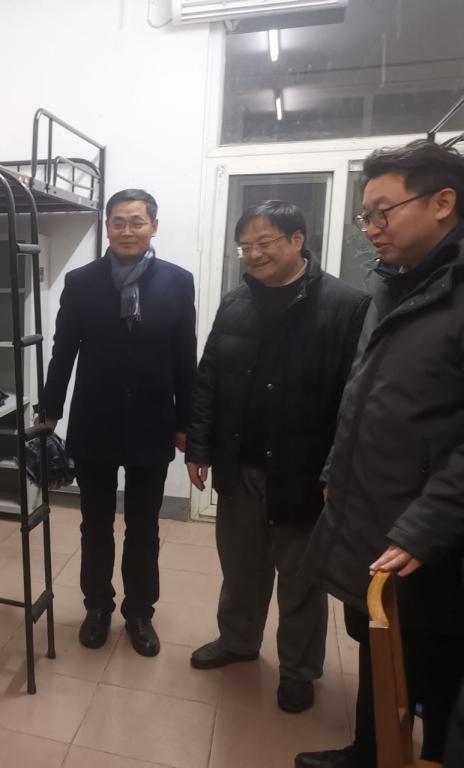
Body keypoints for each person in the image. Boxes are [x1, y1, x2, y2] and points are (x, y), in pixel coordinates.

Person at [296, 139, 464, 768]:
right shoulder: (393, 285)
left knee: (437, 665)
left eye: (382, 212)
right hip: (373, 502)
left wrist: (427, 527)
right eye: (365, 215)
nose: (371, 228)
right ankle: (369, 752)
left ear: (443, 203)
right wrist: (334, 470)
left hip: (433, 535)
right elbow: (364, 395)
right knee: (379, 641)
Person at [185, 200, 368, 714]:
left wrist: (336, 471)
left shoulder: (347, 305)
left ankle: (298, 670)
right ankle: (238, 640)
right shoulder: (235, 303)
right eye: (245, 246)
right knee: (240, 566)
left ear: (297, 240)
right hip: (239, 464)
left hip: (304, 471)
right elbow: (208, 379)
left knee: (301, 578)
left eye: (264, 242)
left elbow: (355, 400)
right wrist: (199, 447)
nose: (253, 254)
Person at [43, 188, 197, 655]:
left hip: (153, 419)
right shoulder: (82, 281)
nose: (127, 231)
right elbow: (64, 350)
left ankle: (140, 612)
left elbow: (184, 356)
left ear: (153, 226)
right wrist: (49, 410)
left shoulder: (178, 282)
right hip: (96, 419)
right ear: (107, 227)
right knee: (94, 524)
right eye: (118, 222)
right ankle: (97, 607)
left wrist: (187, 421)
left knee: (144, 526)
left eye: (137, 222)